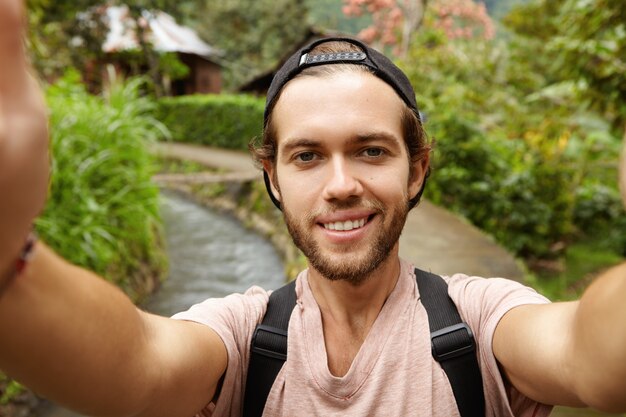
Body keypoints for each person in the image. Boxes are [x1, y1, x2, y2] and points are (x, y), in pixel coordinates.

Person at [1, 1, 625, 416]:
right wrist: (7, 246)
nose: (341, 184)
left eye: (372, 151)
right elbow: (137, 366)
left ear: (418, 171)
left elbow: (586, 354)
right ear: (271, 178)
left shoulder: (479, 324)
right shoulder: (246, 340)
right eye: (306, 157)